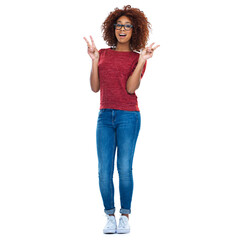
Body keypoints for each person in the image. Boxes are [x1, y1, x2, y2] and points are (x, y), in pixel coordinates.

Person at [83, 5, 160, 234]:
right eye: (119, 25)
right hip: (105, 116)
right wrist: (94, 60)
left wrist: (141, 62)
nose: (123, 29)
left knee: (124, 168)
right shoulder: (103, 54)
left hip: (128, 116)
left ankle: (125, 215)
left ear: (134, 29)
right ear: (113, 28)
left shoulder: (138, 58)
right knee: (103, 171)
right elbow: (95, 88)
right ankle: (109, 215)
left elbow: (130, 88)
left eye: (127, 25)